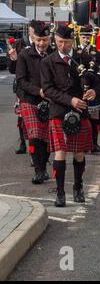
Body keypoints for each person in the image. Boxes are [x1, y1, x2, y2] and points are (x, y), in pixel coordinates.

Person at [41, 24, 99, 207]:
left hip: (80, 112)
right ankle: (60, 192)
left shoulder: (84, 57)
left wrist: (95, 92)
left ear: (72, 41)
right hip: (59, 111)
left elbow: (99, 79)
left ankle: (78, 186)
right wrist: (70, 100)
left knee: (79, 152)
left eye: (66, 42)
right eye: (59, 42)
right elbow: (48, 89)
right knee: (60, 151)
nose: (62, 46)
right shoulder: (48, 62)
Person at [15, 21, 53, 184]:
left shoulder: (55, 54)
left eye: (44, 40)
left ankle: (43, 166)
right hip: (30, 99)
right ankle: (39, 171)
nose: (41, 43)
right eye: (38, 40)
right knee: (35, 136)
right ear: (33, 39)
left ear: (49, 39)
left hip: (52, 100)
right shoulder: (24, 54)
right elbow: (21, 80)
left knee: (48, 138)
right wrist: (39, 91)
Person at [8, 20, 38, 155]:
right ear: (29, 30)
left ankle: (38, 150)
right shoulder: (19, 44)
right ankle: (22, 143)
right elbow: (12, 70)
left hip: (39, 86)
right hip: (23, 86)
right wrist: (14, 59)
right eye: (33, 30)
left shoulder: (45, 45)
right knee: (21, 117)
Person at [79, 25, 100, 153]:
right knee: (82, 117)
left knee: (95, 116)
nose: (86, 39)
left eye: (88, 37)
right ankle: (83, 144)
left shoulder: (96, 53)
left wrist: (99, 88)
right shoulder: (75, 51)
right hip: (80, 88)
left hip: (93, 88)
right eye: (84, 37)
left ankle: (94, 143)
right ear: (79, 37)